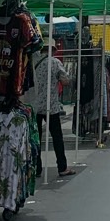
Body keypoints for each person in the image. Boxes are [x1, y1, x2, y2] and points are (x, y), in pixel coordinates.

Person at [28, 46, 76, 177]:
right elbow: (65, 81)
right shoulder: (54, 62)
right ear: (52, 50)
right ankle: (62, 167)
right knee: (57, 138)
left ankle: (36, 167)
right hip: (51, 106)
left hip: (34, 106)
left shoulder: (32, 60)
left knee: (36, 138)